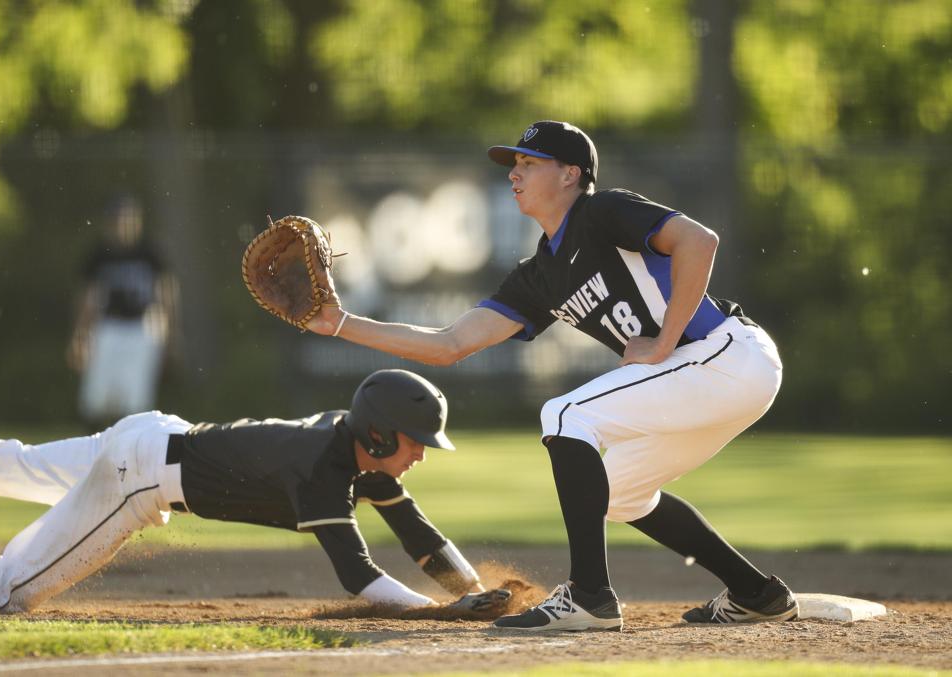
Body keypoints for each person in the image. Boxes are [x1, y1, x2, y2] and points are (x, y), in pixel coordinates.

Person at [304, 121, 798, 631]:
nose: (514, 175)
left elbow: (699, 240)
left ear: (570, 174)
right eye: (514, 165)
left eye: (529, 164)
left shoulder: (602, 211)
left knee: (563, 413)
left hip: (727, 357)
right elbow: (449, 345)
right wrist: (339, 323)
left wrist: (665, 341)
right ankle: (757, 593)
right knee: (618, 492)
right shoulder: (539, 275)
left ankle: (589, 597)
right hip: (701, 378)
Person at [0, 369, 490, 613]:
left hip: (153, 436)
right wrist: (442, 612)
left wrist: (474, 590)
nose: (420, 453)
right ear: (377, 432)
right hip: (140, 476)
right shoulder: (321, 469)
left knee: (6, 464)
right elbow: (358, 575)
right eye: (416, 441)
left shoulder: (354, 445)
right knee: (4, 591)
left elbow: (418, 534)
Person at [67, 193, 178, 427]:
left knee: (136, 402)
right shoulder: (99, 255)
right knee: (97, 400)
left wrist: (170, 336)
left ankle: (132, 454)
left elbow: (165, 294)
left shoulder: (150, 252)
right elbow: (87, 299)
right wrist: (79, 335)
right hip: (108, 328)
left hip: (142, 327)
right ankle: (98, 447)